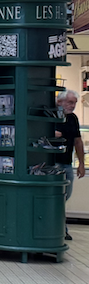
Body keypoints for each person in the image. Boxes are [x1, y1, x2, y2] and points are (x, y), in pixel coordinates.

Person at [54, 89, 85, 239]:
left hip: (66, 163)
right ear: (59, 102)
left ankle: (60, 227)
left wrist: (81, 163)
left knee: (64, 197)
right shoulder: (51, 116)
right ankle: (61, 228)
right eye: (70, 102)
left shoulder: (72, 119)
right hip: (52, 163)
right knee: (55, 197)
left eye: (74, 103)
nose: (72, 106)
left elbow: (78, 141)